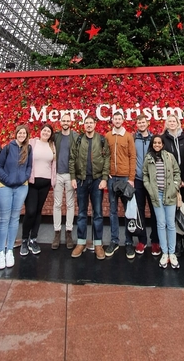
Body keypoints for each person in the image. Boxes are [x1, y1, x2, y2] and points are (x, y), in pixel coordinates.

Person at [69, 115, 110, 259]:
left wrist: (104, 178)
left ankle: (98, 244)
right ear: (84, 125)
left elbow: (106, 159)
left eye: (91, 123)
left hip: (97, 180)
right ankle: (81, 243)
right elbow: (72, 158)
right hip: (81, 181)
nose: (89, 125)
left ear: (95, 124)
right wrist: (73, 177)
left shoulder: (102, 139)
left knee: (98, 213)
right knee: (81, 213)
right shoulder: (79, 139)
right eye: (86, 123)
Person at [0, 125, 32, 269]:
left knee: (15, 218)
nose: (22, 135)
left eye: (24, 133)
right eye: (20, 133)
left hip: (21, 187)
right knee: (4, 219)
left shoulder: (28, 149)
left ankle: (10, 250)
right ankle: (0, 252)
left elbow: (29, 166)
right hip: (5, 187)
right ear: (16, 134)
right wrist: (7, 179)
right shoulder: (7, 148)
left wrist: (24, 177)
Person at [143, 135, 181, 269]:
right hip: (156, 195)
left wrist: (175, 186)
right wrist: (150, 188)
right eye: (155, 143)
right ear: (152, 144)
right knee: (161, 223)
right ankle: (164, 252)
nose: (157, 145)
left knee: (170, 224)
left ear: (163, 144)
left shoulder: (169, 156)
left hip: (169, 194)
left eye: (159, 142)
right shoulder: (148, 158)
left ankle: (172, 253)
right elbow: (145, 175)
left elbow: (177, 173)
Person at [104, 111, 136, 259]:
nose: (117, 121)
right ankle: (114, 240)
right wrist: (107, 174)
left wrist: (131, 178)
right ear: (112, 120)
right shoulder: (108, 136)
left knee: (128, 211)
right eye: (115, 118)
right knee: (113, 211)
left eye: (119, 118)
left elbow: (132, 157)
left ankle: (129, 242)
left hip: (124, 179)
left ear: (123, 120)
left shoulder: (128, 136)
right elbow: (105, 155)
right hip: (112, 178)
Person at [20, 123, 56, 256]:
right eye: (44, 130)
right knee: (30, 211)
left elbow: (53, 164)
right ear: (40, 132)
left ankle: (33, 239)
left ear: (51, 134)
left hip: (45, 183)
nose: (46, 132)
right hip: (32, 182)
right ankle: (24, 239)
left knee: (38, 211)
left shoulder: (52, 146)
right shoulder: (32, 143)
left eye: (48, 131)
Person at [162, 114, 184, 258]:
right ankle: (177, 243)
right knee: (173, 211)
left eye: (174, 121)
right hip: (170, 181)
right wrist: (174, 180)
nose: (172, 123)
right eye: (169, 121)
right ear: (166, 124)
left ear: (178, 123)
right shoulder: (162, 139)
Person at [133, 114, 160, 256]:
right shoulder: (133, 138)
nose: (141, 124)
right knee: (140, 211)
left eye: (143, 122)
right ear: (136, 124)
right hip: (138, 179)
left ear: (147, 123)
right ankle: (142, 240)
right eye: (139, 122)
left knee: (155, 210)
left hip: (152, 181)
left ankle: (155, 241)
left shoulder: (154, 139)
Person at [52, 113, 78, 250]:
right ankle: (57, 233)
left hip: (70, 175)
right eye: (64, 120)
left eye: (68, 120)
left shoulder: (75, 137)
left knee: (69, 204)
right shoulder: (56, 136)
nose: (66, 122)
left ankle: (68, 232)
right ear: (60, 122)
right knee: (57, 204)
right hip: (57, 174)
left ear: (71, 122)